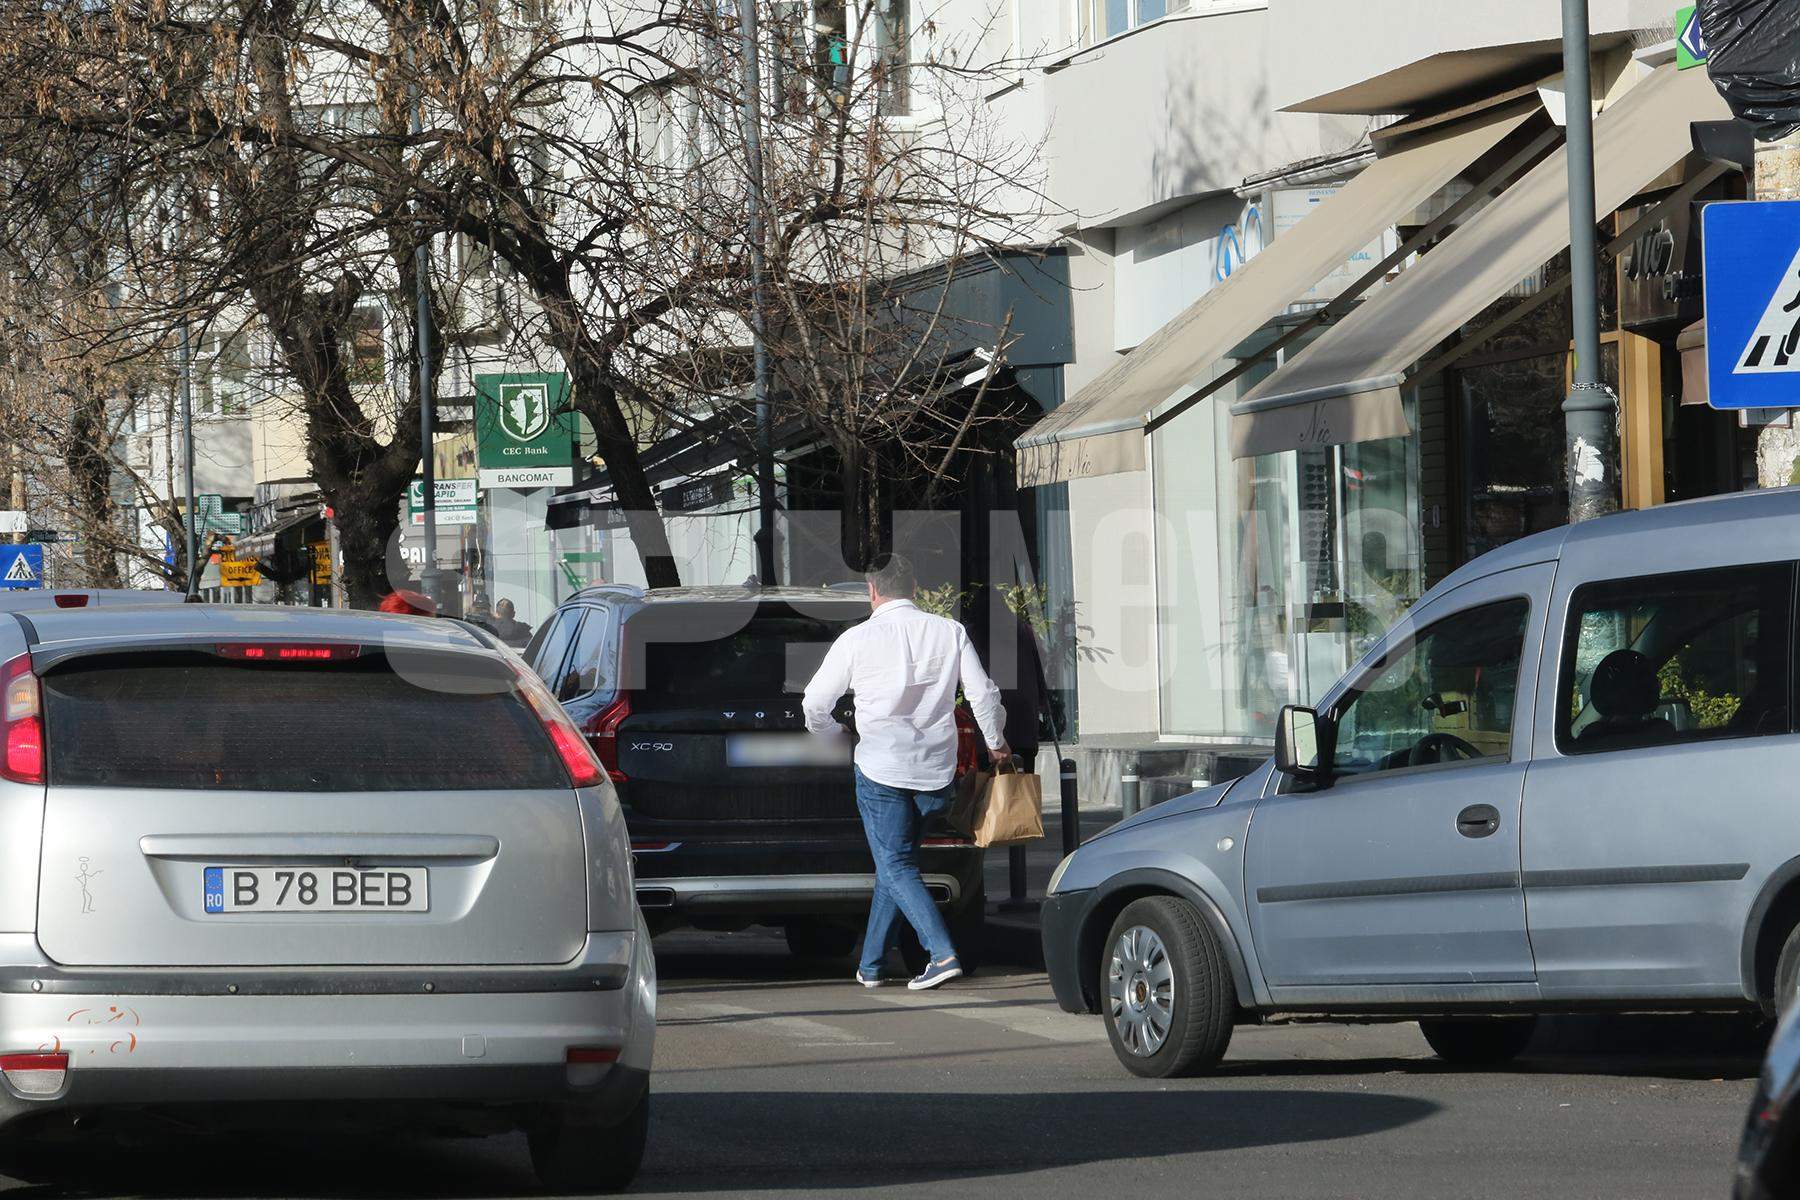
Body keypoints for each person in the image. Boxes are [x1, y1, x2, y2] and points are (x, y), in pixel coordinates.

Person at [802, 553, 1009, 991]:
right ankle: (872, 964)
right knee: (895, 863)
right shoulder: (949, 632)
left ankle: (941, 952)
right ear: (914, 589)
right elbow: (984, 695)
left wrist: (832, 736)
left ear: (872, 591)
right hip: (937, 772)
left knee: (894, 863)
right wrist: (995, 744)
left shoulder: (857, 639)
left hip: (881, 768)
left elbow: (814, 703)